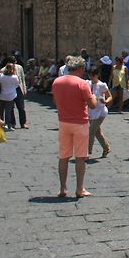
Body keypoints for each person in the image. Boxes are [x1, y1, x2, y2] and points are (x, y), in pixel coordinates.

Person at [51, 56, 97, 198]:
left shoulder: (57, 82)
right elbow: (92, 105)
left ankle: (63, 188)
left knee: (63, 157)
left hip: (63, 122)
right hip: (80, 123)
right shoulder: (82, 84)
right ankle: (79, 189)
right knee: (80, 157)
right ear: (81, 68)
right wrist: (94, 96)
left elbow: (55, 101)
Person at [86, 68, 111, 157]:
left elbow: (109, 96)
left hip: (100, 111)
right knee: (97, 132)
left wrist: (106, 101)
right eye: (89, 75)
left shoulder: (102, 85)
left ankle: (87, 152)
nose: (91, 77)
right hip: (91, 110)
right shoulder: (87, 83)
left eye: (92, 75)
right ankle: (106, 148)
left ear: (97, 75)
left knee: (91, 131)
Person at [0, 62, 21, 130]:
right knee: (8, 111)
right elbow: (17, 85)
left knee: (0, 111)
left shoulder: (1, 75)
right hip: (10, 96)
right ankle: (8, 125)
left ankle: (0, 124)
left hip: (1, 95)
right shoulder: (14, 77)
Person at [13, 58, 29, 129]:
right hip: (10, 89)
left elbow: (22, 78)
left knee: (21, 107)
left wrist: (24, 88)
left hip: (19, 88)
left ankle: (23, 123)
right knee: (11, 107)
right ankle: (12, 123)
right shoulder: (5, 68)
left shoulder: (19, 67)